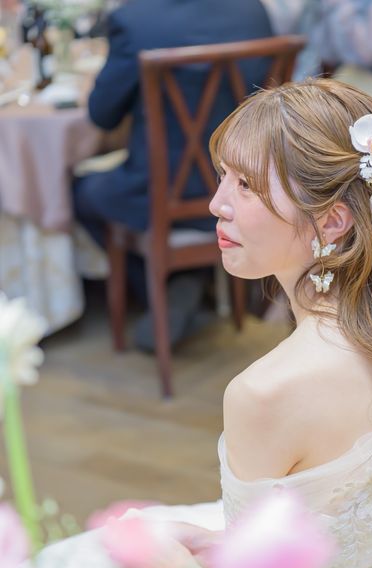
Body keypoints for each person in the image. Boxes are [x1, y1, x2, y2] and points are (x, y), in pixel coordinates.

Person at [37, 78, 372, 568]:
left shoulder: (264, 393)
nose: (217, 204)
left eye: (246, 186)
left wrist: (170, 567)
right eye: (223, 177)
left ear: (332, 222)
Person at [73, 0, 272, 350]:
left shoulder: (134, 20)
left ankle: (165, 290)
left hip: (155, 193)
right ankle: (189, 280)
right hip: (241, 190)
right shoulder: (252, 11)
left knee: (80, 193)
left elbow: (103, 114)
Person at [261, 0, 372, 131]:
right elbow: (324, 51)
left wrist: (339, 5)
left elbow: (368, 52)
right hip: (346, 79)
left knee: (307, 130)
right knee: (288, 119)